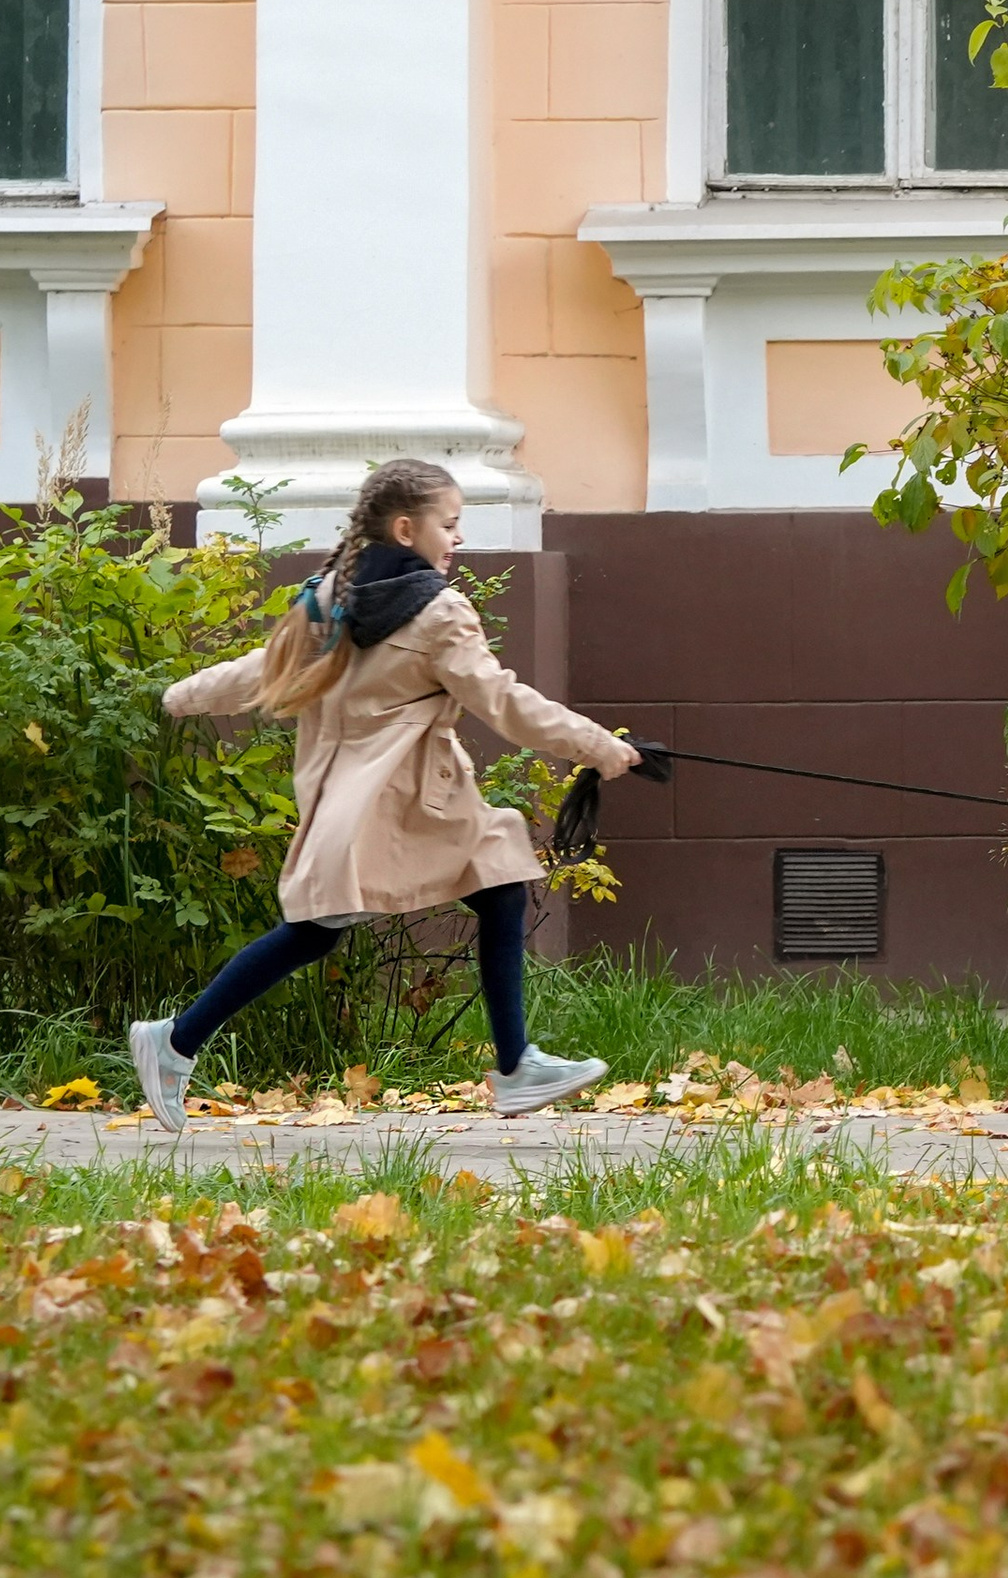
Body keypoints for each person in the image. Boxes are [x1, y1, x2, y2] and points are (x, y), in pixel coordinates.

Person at [128, 456, 642, 1134]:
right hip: (401, 801)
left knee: (497, 878)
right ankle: (174, 1040)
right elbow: (504, 702)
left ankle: (516, 1065)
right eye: (448, 525)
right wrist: (601, 748)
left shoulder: (331, 595)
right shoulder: (438, 611)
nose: (456, 540)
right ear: (406, 529)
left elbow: (262, 668)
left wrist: (181, 696)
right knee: (317, 931)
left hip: (369, 800)